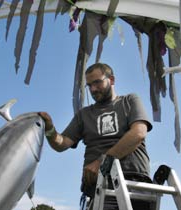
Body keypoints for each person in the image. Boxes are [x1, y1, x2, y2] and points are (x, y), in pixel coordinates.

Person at [39, 62, 153, 209]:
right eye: (89, 85)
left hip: (133, 179)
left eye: (97, 83)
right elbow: (61, 144)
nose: (93, 89)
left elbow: (138, 133)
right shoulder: (84, 115)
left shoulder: (129, 101)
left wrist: (103, 162)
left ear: (111, 80)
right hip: (97, 185)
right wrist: (49, 129)